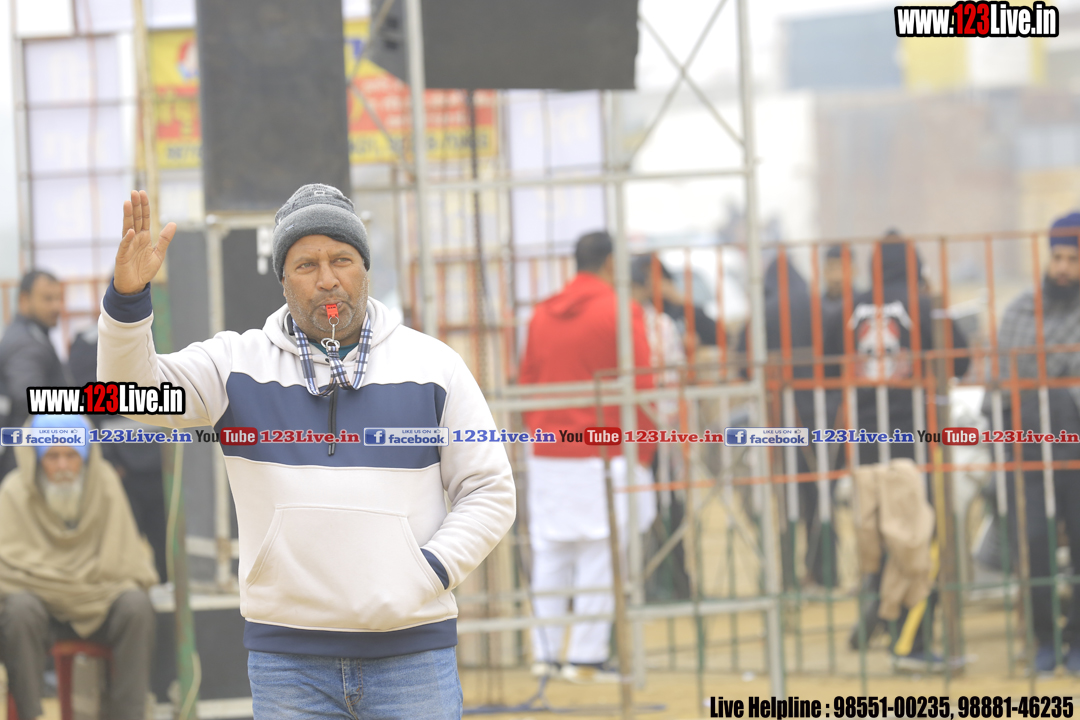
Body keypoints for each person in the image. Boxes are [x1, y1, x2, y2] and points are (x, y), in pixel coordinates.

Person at [97, 187, 516, 718]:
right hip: (288, 663)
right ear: (282, 280)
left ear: (364, 268)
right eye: (306, 264)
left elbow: (489, 490)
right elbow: (125, 393)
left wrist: (429, 571)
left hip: (413, 654)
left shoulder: (434, 365)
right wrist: (128, 301)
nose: (327, 279)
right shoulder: (235, 365)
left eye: (342, 259)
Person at [824, 232, 970, 671]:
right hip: (914, 438)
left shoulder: (848, 308)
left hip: (865, 440)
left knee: (884, 537)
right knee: (919, 537)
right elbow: (961, 359)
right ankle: (911, 641)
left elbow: (827, 365)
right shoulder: (924, 305)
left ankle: (884, 622)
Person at [519, 232, 656, 683]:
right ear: (611, 262)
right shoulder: (620, 310)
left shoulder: (541, 314)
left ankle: (544, 654)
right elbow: (641, 384)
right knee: (602, 551)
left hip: (548, 447)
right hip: (604, 445)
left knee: (551, 550)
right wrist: (645, 448)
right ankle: (585, 657)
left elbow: (527, 381)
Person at [0, 414, 158, 720]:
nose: (62, 466)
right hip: (40, 611)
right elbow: (6, 570)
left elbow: (125, 562)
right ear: (36, 458)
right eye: (53, 456)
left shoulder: (105, 484)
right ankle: (30, 715)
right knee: (18, 610)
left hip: (98, 600)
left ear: (85, 457)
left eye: (71, 455)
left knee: (136, 606)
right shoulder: (13, 492)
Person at [987, 211, 1080, 674]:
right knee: (1036, 545)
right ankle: (1045, 638)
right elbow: (1000, 386)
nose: (1063, 268)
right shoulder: (1021, 311)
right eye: (1057, 257)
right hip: (1029, 446)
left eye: (1073, 259)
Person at [740, 253, 839, 589]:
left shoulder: (764, 312)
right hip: (823, 414)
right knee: (821, 495)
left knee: (786, 497)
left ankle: (784, 575)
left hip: (781, 416)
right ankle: (825, 572)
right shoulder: (820, 307)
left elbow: (745, 366)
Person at [69, 326, 169, 580]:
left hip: (162, 465)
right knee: (122, 542)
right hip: (123, 468)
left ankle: (165, 585)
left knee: (165, 542)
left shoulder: (162, 329)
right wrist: (109, 459)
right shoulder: (91, 341)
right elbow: (88, 405)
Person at [0, 270, 70, 481]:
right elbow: (30, 397)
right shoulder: (25, 342)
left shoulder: (32, 336)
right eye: (47, 299)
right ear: (24, 300)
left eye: (58, 298)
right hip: (26, 461)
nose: (56, 306)